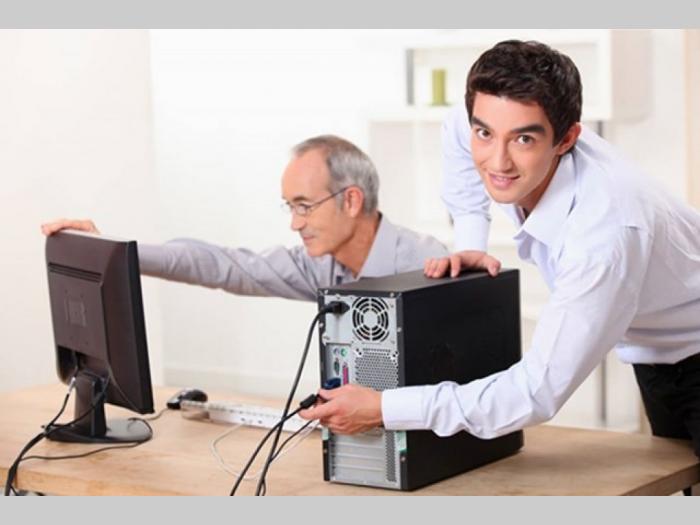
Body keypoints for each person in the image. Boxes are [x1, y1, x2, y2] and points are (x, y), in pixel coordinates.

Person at [299, 40, 700, 460]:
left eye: (523, 139)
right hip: (655, 355)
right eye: (485, 134)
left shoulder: (603, 235)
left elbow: (535, 391)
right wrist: (471, 242)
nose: (498, 162)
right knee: (676, 473)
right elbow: (459, 135)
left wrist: (385, 408)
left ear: (566, 138)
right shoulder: (478, 122)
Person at [41, 135, 447, 299]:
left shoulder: (428, 265)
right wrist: (115, 252)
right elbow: (223, 265)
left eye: (304, 206)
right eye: (290, 207)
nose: (295, 223)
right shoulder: (322, 267)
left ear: (352, 201)